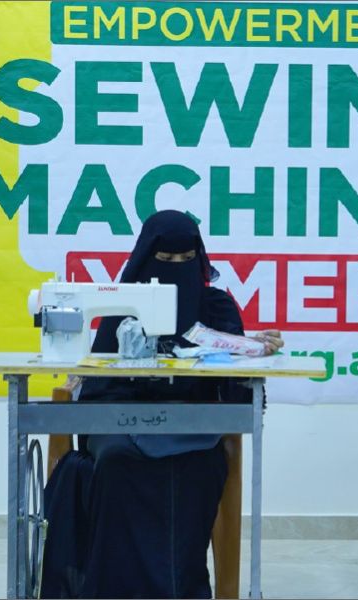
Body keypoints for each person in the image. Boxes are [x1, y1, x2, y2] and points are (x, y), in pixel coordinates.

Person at [41, 210, 282, 599]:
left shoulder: (216, 307)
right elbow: (101, 382)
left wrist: (248, 351)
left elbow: (236, 389)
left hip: (194, 429)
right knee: (116, 462)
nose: (175, 268)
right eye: (165, 259)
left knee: (202, 468)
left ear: (199, 260)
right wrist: (81, 379)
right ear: (144, 258)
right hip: (120, 424)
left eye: (185, 259)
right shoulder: (123, 305)